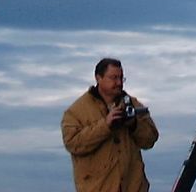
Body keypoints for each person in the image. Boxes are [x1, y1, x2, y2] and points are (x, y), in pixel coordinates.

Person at [61, 57, 159, 192]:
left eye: (121, 78)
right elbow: (73, 144)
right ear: (98, 78)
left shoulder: (133, 105)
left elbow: (150, 140)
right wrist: (106, 125)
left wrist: (134, 125)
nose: (119, 83)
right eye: (113, 78)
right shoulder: (76, 112)